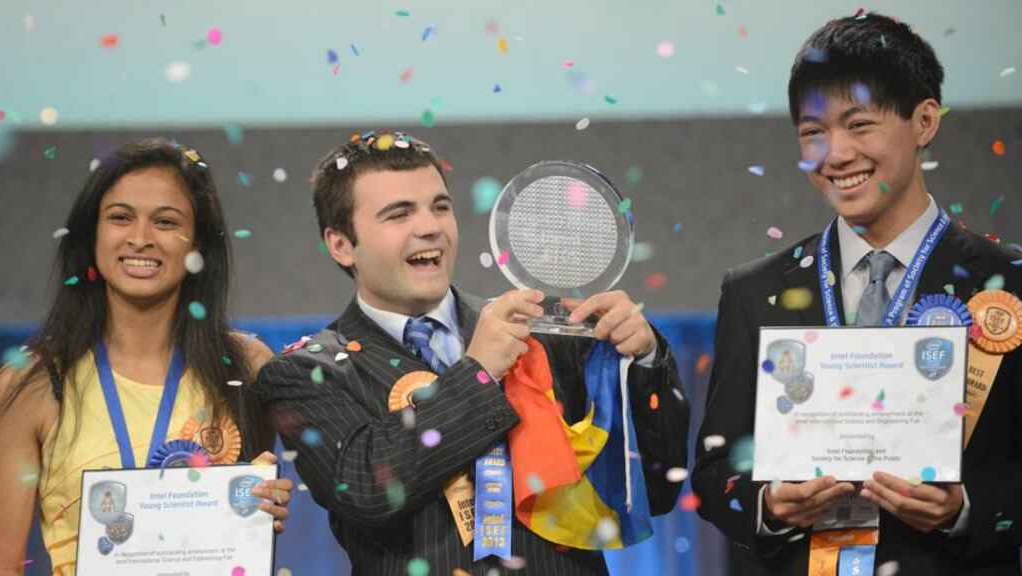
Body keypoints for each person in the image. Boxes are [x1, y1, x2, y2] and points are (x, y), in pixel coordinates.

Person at [255, 130, 690, 575]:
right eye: (398, 214)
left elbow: (652, 489)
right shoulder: (304, 372)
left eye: (439, 207)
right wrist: (478, 371)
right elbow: (367, 490)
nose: (430, 227)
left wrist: (643, 359)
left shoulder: (544, 332)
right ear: (341, 244)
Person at [692, 12, 1022, 574]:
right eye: (813, 132)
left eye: (859, 124)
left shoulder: (1008, 283)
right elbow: (714, 469)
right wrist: (770, 505)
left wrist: (965, 508)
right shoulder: (755, 291)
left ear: (924, 121)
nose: (835, 154)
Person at [0, 139, 294, 575]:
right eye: (120, 217)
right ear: (91, 235)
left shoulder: (246, 366)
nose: (140, 239)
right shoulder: (33, 383)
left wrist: (263, 505)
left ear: (198, 246)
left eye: (165, 221)